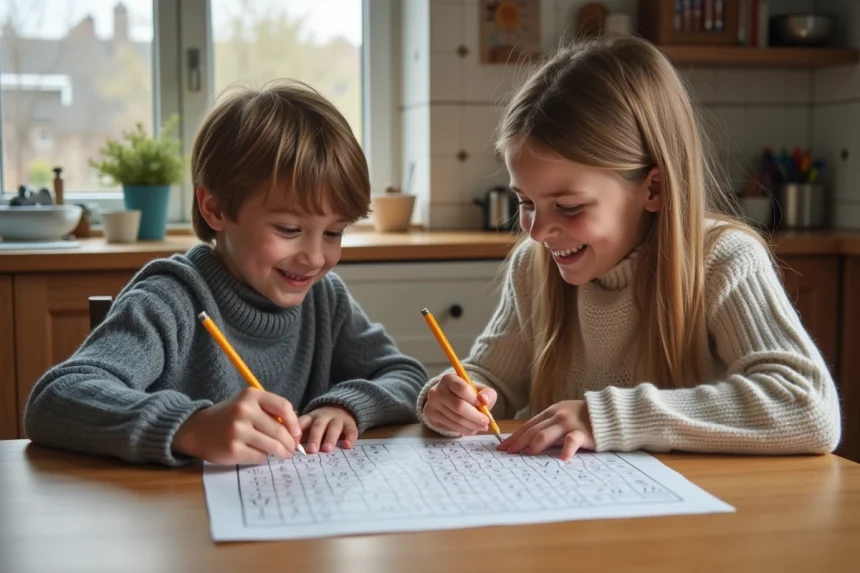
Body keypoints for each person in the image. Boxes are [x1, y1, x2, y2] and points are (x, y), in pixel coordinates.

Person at [418, 35, 841, 461]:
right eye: (526, 203)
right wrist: (451, 400)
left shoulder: (723, 259)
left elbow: (807, 407)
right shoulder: (534, 266)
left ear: (652, 188)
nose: (538, 231)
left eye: (568, 206)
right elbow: (491, 379)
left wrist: (608, 417)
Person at [25, 80, 427, 466]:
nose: (314, 257)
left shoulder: (326, 298)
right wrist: (191, 426)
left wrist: (348, 404)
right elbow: (56, 398)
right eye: (289, 229)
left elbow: (406, 375)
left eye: (334, 232)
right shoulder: (170, 300)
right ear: (215, 209)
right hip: (182, 524)